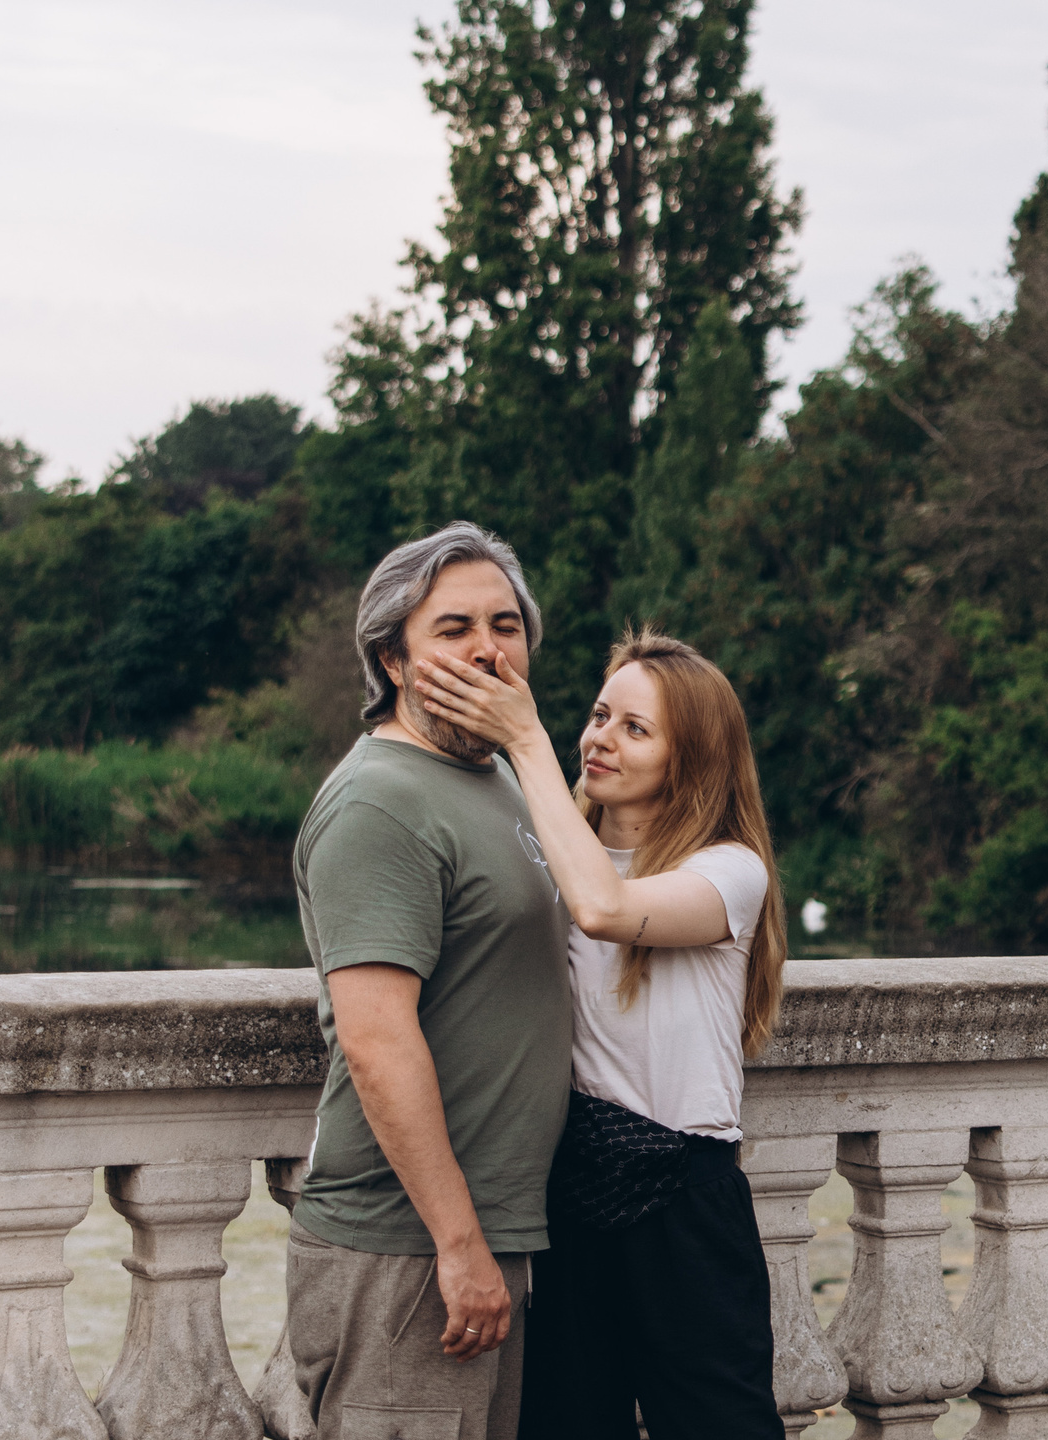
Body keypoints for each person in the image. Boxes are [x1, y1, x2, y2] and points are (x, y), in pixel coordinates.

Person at [420, 628, 788, 1440]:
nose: (599, 739)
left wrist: (523, 738)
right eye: (597, 715)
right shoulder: (548, 855)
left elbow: (606, 910)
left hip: (682, 1203)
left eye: (636, 728)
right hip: (563, 1198)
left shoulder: (729, 871)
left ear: (690, 758)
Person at [284, 521, 572, 1440]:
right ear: (393, 658)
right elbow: (375, 1041)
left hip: (502, 1236)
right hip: (407, 1251)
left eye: (505, 624)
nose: (487, 648)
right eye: (452, 628)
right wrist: (458, 1243)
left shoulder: (502, 781)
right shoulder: (381, 800)